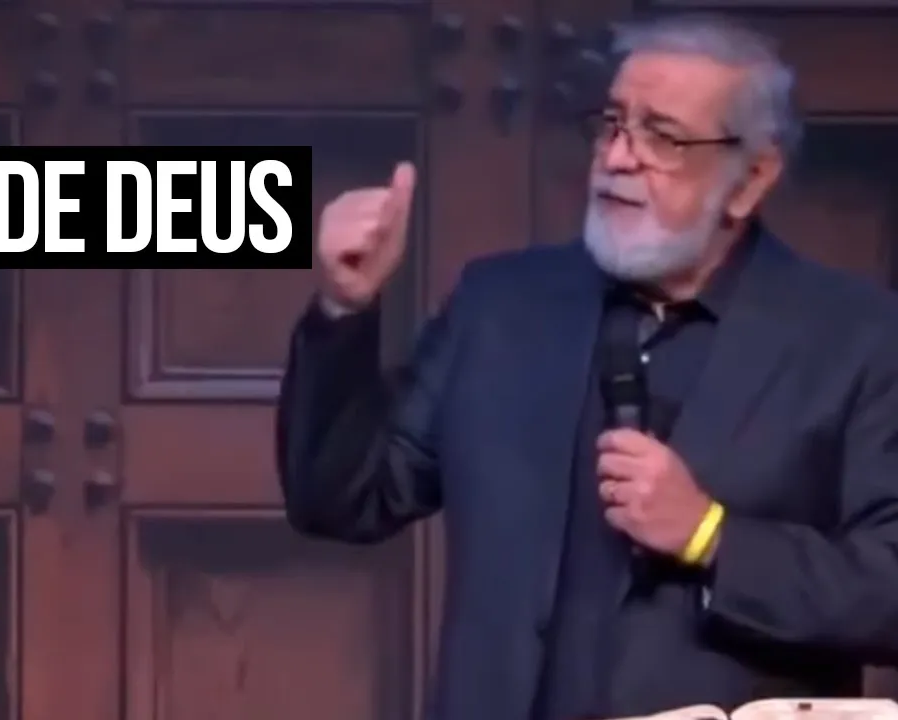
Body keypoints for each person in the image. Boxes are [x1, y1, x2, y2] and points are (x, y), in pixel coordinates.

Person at [276, 12, 898, 720]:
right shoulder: (500, 306)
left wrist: (711, 535)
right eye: (612, 124)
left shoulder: (857, 339)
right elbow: (342, 498)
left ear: (751, 180)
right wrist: (344, 307)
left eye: (662, 137)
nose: (619, 158)